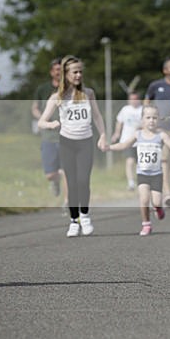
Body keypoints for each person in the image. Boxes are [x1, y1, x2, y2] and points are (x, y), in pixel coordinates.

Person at [37, 55, 107, 237]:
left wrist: (103, 136)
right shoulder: (57, 97)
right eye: (75, 72)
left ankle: (85, 215)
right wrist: (51, 124)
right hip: (67, 143)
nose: (78, 75)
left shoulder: (88, 93)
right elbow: (41, 122)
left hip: (86, 142)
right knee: (72, 182)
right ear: (66, 75)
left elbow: (97, 116)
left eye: (80, 72)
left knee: (84, 180)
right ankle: (73, 220)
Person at [108, 105, 170, 236]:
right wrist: (109, 147)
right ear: (142, 119)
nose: (151, 120)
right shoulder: (138, 135)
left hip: (157, 175)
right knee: (143, 199)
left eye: (154, 118)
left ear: (158, 120)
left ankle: (159, 209)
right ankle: (146, 224)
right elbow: (124, 145)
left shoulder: (161, 135)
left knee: (157, 202)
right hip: (142, 173)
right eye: (148, 118)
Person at [145, 57, 170, 206]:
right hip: (161, 128)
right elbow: (146, 103)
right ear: (165, 70)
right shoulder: (155, 86)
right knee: (164, 160)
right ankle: (167, 191)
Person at [31, 58, 66, 199]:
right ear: (52, 72)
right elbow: (34, 108)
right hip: (49, 136)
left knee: (67, 171)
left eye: (62, 70)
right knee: (50, 174)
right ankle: (55, 182)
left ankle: (68, 201)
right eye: (57, 70)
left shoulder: (69, 88)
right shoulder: (43, 89)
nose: (60, 73)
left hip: (66, 135)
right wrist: (44, 118)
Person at [112, 91, 143, 190]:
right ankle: (131, 182)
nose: (134, 101)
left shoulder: (143, 109)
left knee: (140, 163)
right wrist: (117, 133)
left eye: (135, 99)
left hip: (140, 140)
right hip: (127, 140)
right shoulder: (125, 110)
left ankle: (141, 181)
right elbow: (119, 122)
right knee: (130, 161)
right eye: (132, 99)